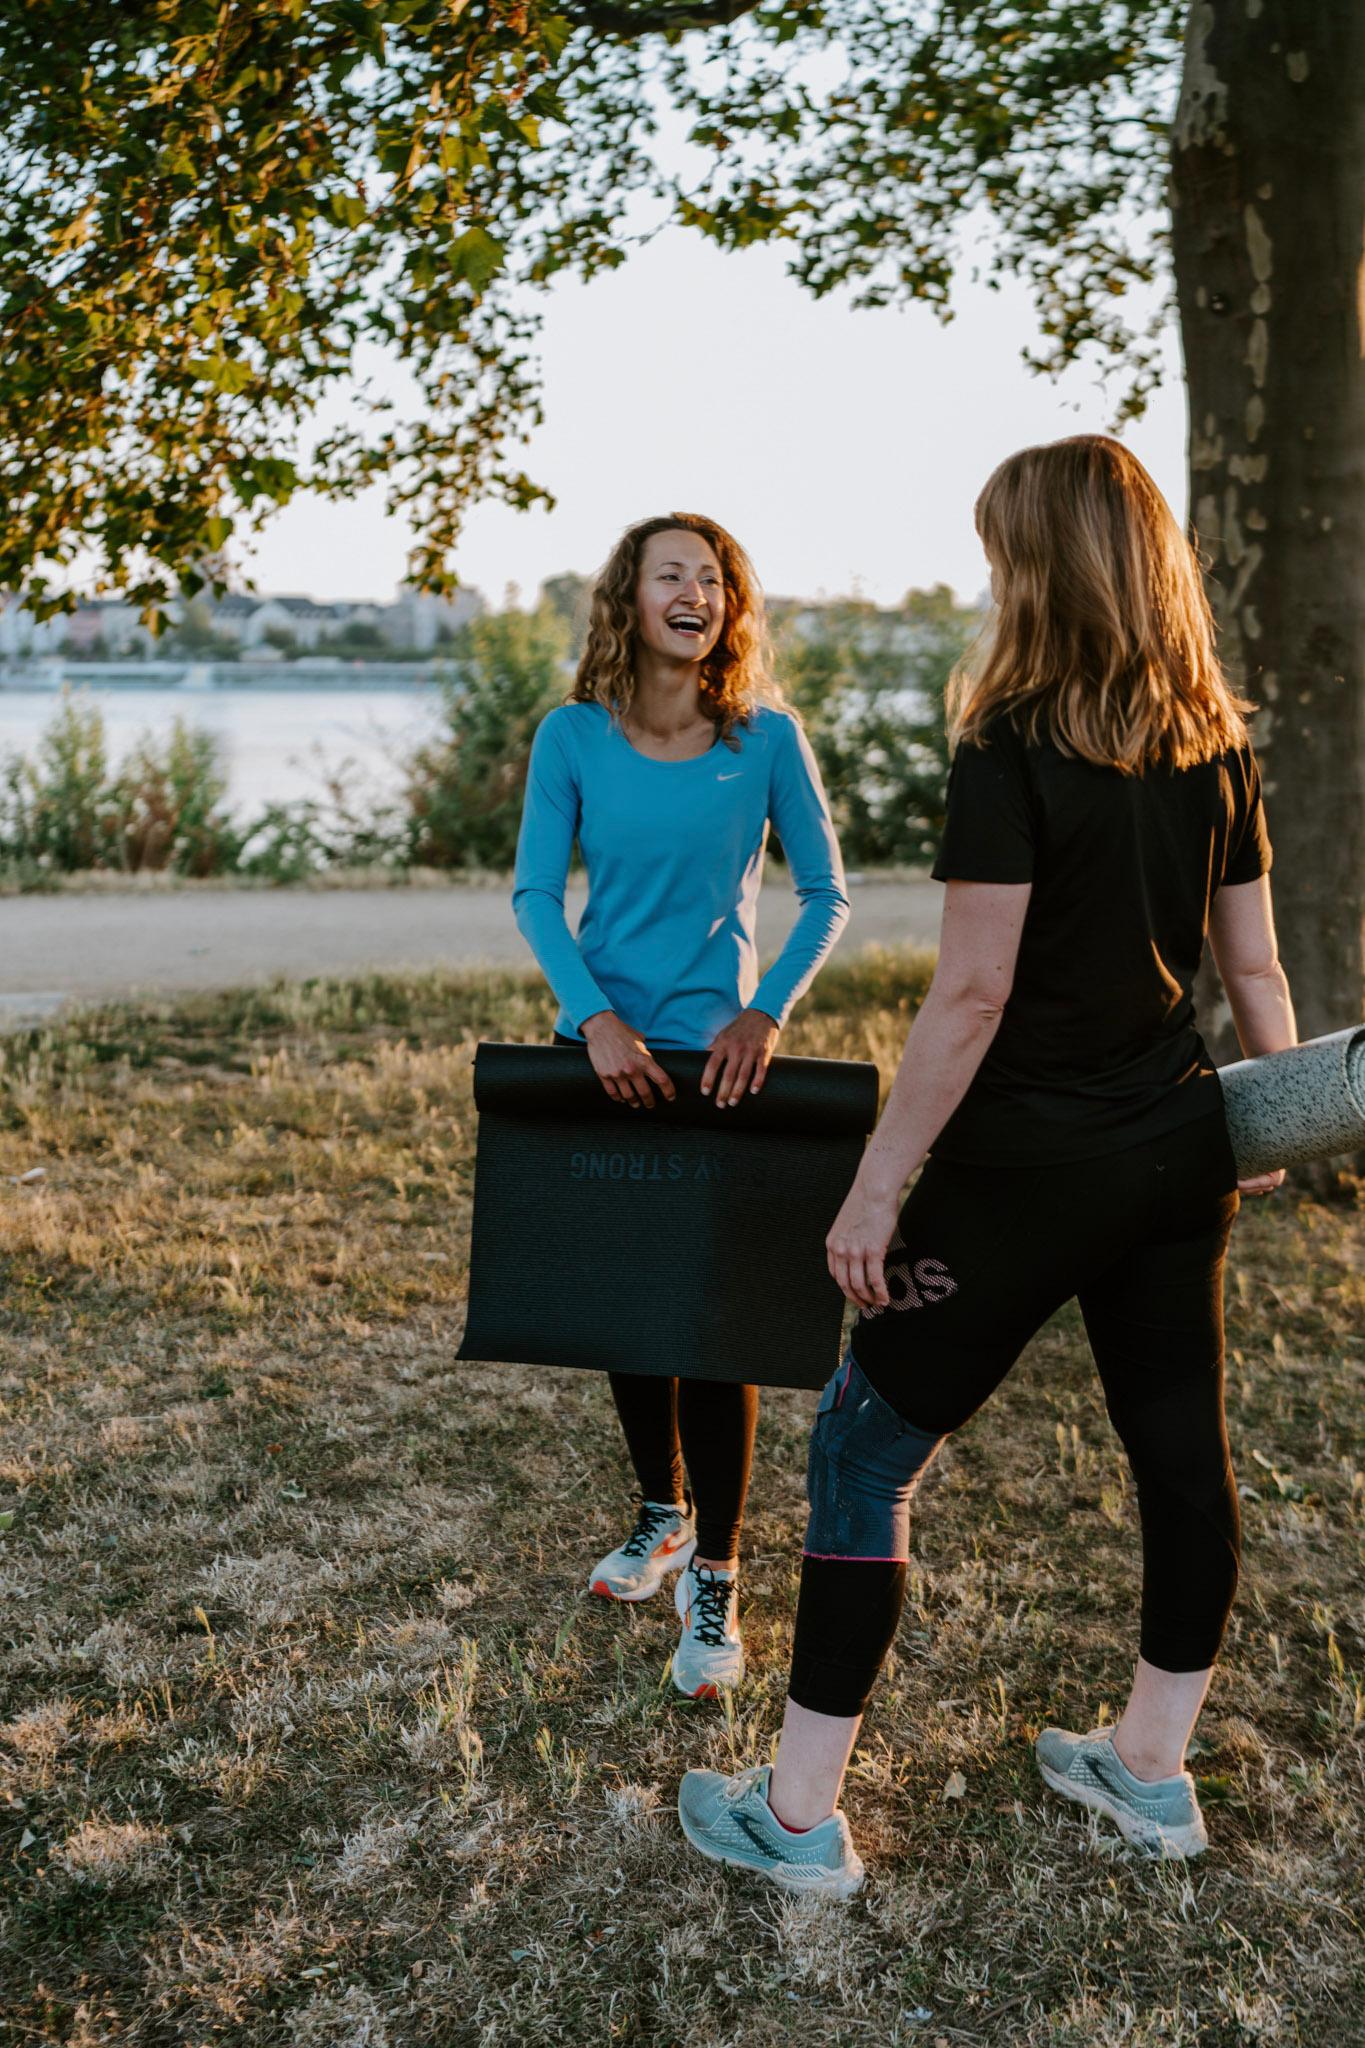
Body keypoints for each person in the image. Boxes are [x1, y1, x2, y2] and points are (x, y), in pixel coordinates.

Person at [677, 435, 1296, 1890]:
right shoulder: (1215, 738)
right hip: (1172, 1156)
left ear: (1039, 567)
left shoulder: (1009, 741)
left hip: (1019, 1169)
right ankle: (1148, 1774)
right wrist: (1264, 1119)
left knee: (862, 1452)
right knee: (1179, 1463)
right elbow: (1255, 966)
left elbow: (968, 997)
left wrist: (880, 1182)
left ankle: (797, 1820)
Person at [513, 512, 849, 1697]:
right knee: (624, 1310)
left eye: (712, 578)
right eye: (673, 575)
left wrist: (764, 1013)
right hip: (602, 1057)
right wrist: (592, 1016)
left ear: (728, 605)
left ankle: (716, 1583)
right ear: (632, 598)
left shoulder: (764, 739)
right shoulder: (572, 736)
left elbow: (825, 895)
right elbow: (536, 895)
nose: (695, 592)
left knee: (714, 1332)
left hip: (722, 1070)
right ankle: (660, 1511)